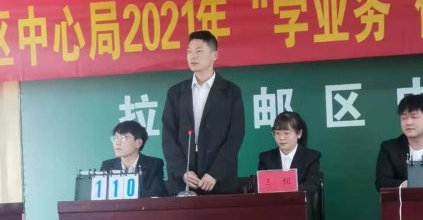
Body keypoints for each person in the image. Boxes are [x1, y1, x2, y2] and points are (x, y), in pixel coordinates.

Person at [162, 30, 245, 195]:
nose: (193, 56)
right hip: (184, 179)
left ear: (214, 55)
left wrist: (216, 173)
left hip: (219, 180)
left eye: (199, 51)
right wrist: (182, 171)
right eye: (189, 51)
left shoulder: (230, 92)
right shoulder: (176, 92)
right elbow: (168, 137)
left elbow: (235, 136)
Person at [375, 93, 423, 190]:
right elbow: (382, 182)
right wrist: (409, 184)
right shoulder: (389, 148)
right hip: (404, 199)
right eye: (404, 118)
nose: (408, 122)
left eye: (414, 117)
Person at [258, 111, 321, 193]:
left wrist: (285, 188)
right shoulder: (265, 158)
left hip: (299, 201)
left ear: (299, 134)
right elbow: (259, 187)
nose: (281, 137)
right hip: (273, 201)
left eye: (286, 133)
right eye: (277, 133)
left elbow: (312, 185)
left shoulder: (311, 157)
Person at [101, 120, 167, 197]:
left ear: (138, 143)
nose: (117, 142)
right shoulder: (107, 166)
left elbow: (156, 197)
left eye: (124, 137)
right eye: (115, 138)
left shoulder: (153, 165)